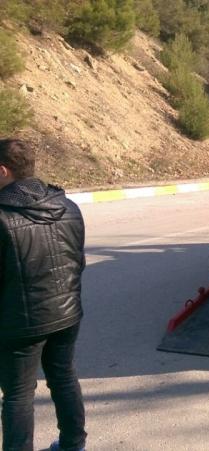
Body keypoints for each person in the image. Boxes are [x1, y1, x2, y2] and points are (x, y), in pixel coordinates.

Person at [0, 139, 87, 451]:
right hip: (67, 314)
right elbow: (78, 263)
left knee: (18, 394)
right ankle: (73, 444)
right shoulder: (68, 206)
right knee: (63, 378)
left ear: (3, 170)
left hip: (21, 325)